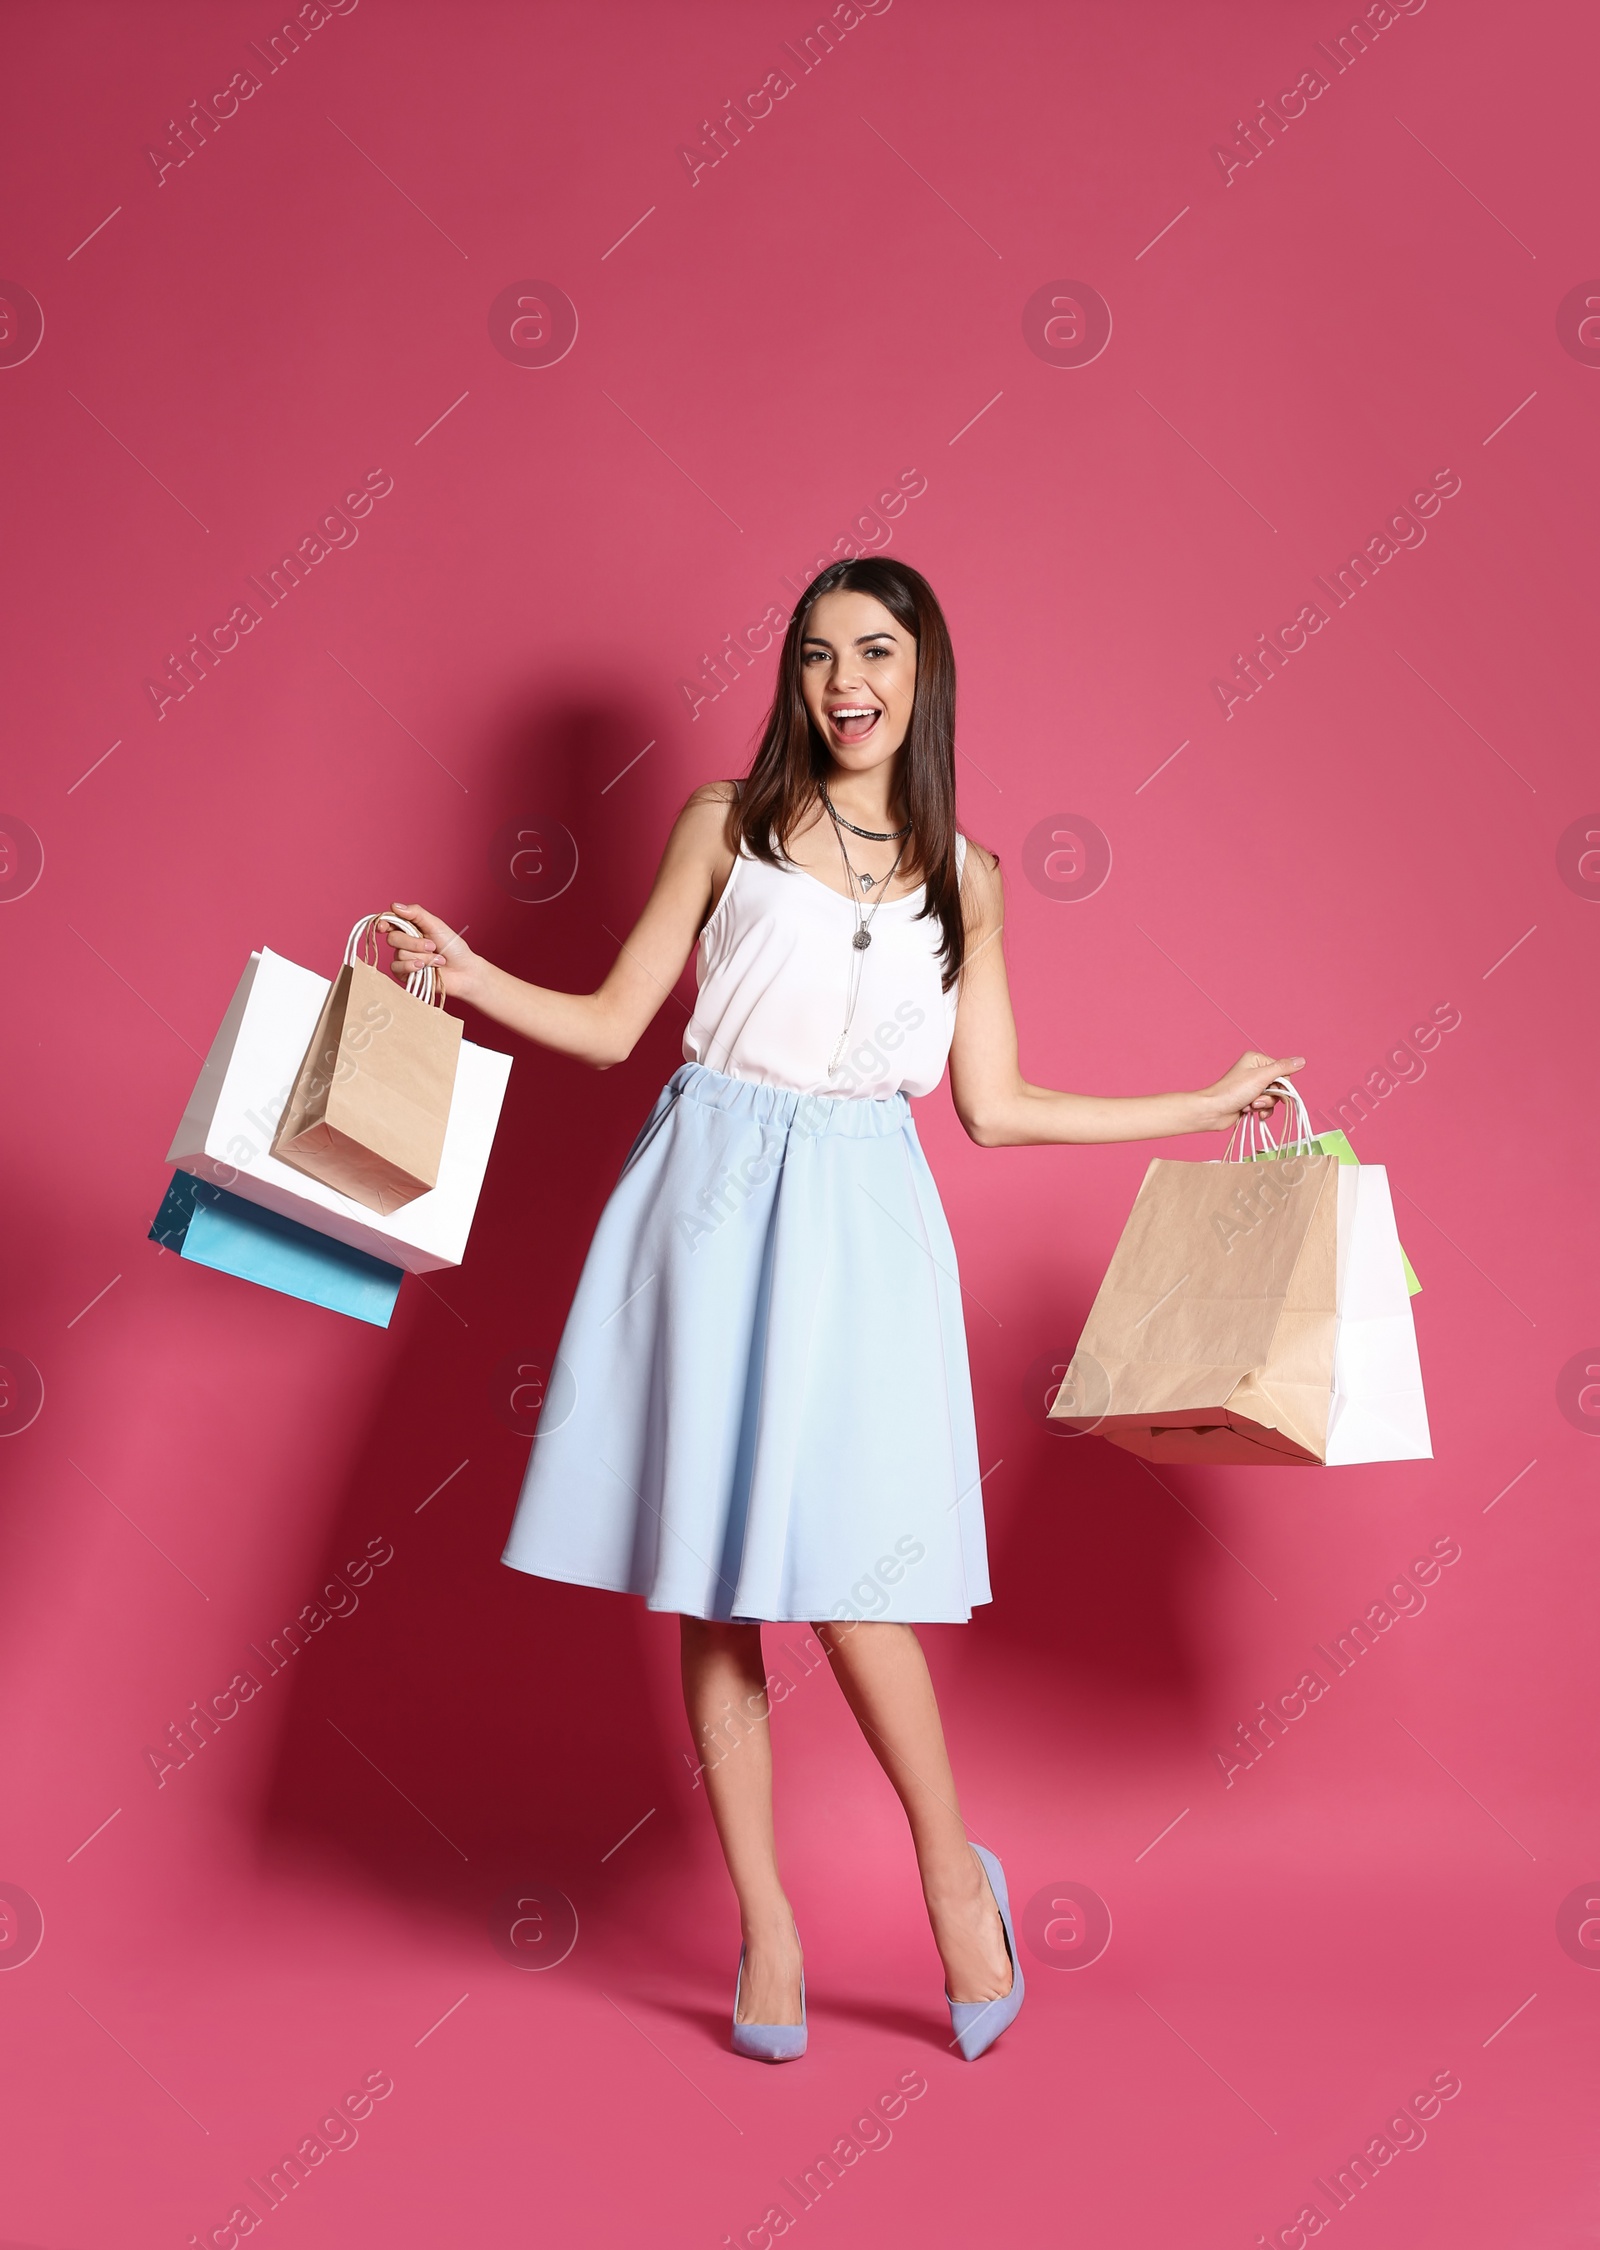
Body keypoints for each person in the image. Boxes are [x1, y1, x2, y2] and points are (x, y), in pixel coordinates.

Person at [382, 556, 1302, 2065]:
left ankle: (955, 1878)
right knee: (721, 1576)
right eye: (816, 655)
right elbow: (618, 1025)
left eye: (874, 651)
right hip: (707, 1203)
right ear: (794, 677)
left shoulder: (970, 879)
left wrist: (1199, 1100)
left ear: (926, 670)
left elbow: (994, 1108)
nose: (843, 681)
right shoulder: (720, 828)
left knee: (856, 1575)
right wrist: (472, 971)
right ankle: (769, 1925)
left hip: (866, 1224)